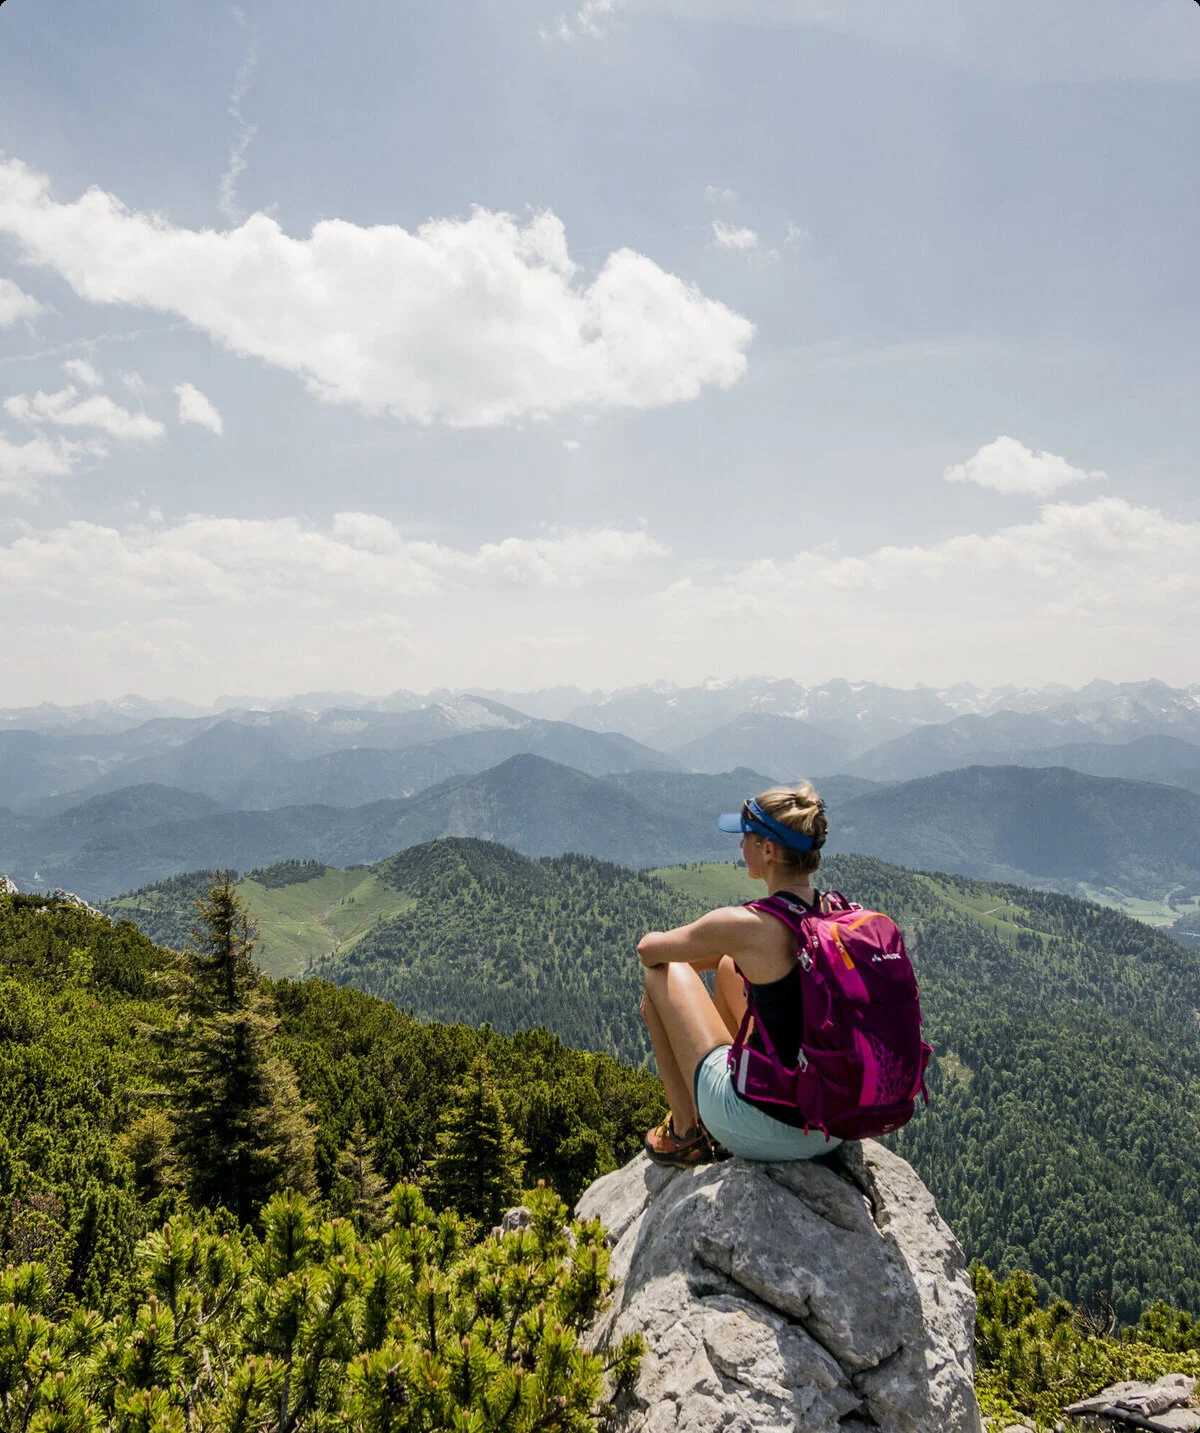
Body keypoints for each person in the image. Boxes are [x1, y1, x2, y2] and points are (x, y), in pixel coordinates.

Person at [637, 782, 841, 1167]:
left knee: (660, 973)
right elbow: (746, 961)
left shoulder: (747, 925)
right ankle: (743, 1086)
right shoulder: (833, 913)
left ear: (767, 850)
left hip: (766, 1131)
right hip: (832, 1127)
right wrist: (723, 955)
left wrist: (673, 992)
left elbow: (649, 950)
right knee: (732, 966)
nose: (739, 846)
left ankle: (685, 1134)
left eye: (745, 837)